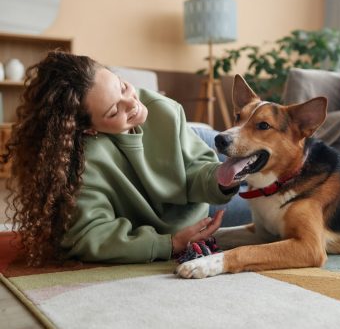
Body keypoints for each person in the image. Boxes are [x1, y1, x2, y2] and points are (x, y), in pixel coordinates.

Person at [3, 50, 239, 266]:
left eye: (123, 87)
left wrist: (220, 178)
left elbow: (195, 168)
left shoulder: (162, 108)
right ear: (89, 130)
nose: (134, 104)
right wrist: (170, 243)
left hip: (198, 149)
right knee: (268, 216)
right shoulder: (82, 162)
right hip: (194, 223)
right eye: (114, 111)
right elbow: (88, 235)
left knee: (267, 176)